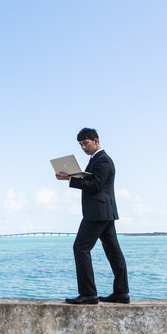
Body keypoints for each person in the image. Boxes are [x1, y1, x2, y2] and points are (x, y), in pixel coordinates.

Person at [56, 127, 129, 305]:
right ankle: (121, 293)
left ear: (96, 141)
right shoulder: (96, 159)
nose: (83, 147)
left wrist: (70, 179)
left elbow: (95, 185)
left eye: (86, 143)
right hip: (103, 212)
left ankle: (88, 294)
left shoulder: (103, 160)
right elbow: (93, 181)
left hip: (97, 213)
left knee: (80, 248)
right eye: (81, 145)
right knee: (114, 253)